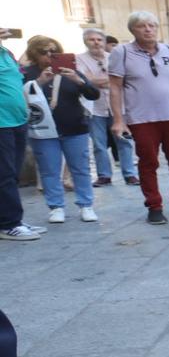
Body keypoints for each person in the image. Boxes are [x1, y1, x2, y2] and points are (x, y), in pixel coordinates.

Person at [108, 11, 169, 226]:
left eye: (152, 25)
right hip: (141, 119)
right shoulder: (121, 52)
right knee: (148, 162)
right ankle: (154, 206)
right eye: (142, 26)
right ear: (133, 29)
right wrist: (118, 119)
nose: (148, 29)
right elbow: (115, 87)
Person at [21, 36, 99, 223]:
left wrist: (79, 81)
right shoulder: (27, 73)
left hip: (75, 127)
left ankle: (86, 205)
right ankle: (56, 207)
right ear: (34, 53)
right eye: (44, 52)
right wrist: (38, 82)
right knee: (49, 170)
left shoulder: (70, 71)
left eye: (53, 51)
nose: (49, 55)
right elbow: (20, 96)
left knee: (80, 169)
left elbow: (93, 94)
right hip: (43, 130)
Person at [76, 28, 138, 186]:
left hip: (117, 106)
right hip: (94, 107)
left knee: (124, 141)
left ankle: (129, 173)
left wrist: (98, 80)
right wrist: (110, 81)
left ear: (104, 42)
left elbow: (124, 79)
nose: (96, 43)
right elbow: (85, 81)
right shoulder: (79, 59)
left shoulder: (113, 57)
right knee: (99, 144)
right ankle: (104, 175)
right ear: (85, 41)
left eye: (99, 39)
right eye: (92, 39)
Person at [0, 38, 36, 241]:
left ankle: (13, 219)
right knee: (4, 174)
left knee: (12, 174)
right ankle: (9, 224)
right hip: (1, 123)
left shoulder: (6, 52)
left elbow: (16, 82)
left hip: (17, 120)